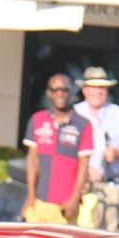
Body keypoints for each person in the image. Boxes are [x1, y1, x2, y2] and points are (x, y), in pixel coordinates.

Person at [73, 66, 119, 231]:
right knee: (79, 230)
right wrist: (86, 171)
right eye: (94, 87)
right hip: (80, 185)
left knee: (110, 234)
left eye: (102, 87)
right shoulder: (74, 114)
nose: (98, 91)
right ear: (85, 89)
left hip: (110, 186)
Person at [22, 72, 93, 225]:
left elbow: (83, 165)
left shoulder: (83, 125)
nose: (60, 93)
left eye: (65, 89)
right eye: (55, 89)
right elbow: (32, 159)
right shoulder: (37, 120)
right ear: (49, 93)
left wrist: (75, 199)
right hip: (40, 203)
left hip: (65, 206)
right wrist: (30, 195)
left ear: (72, 92)